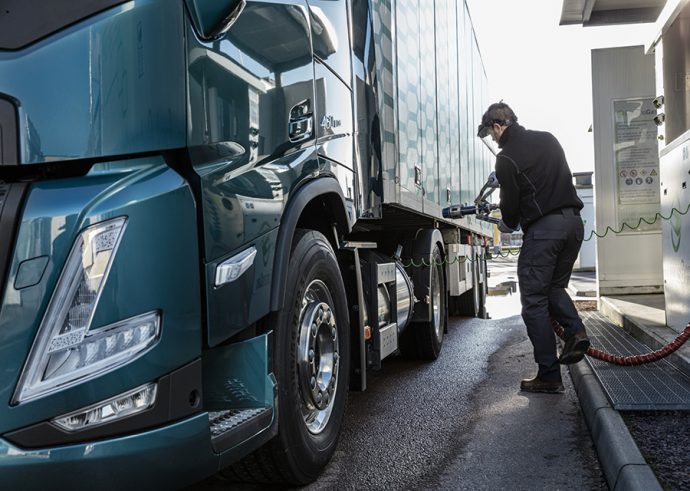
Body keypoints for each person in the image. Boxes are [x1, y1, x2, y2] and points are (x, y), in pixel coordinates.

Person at [477, 102, 590, 394]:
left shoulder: (506, 159)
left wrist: (504, 223)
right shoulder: (548, 139)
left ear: (498, 127)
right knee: (553, 288)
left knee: (534, 303)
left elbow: (511, 214)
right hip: (573, 226)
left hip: (544, 233)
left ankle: (549, 376)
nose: (493, 140)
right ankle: (575, 332)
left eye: (491, 134)